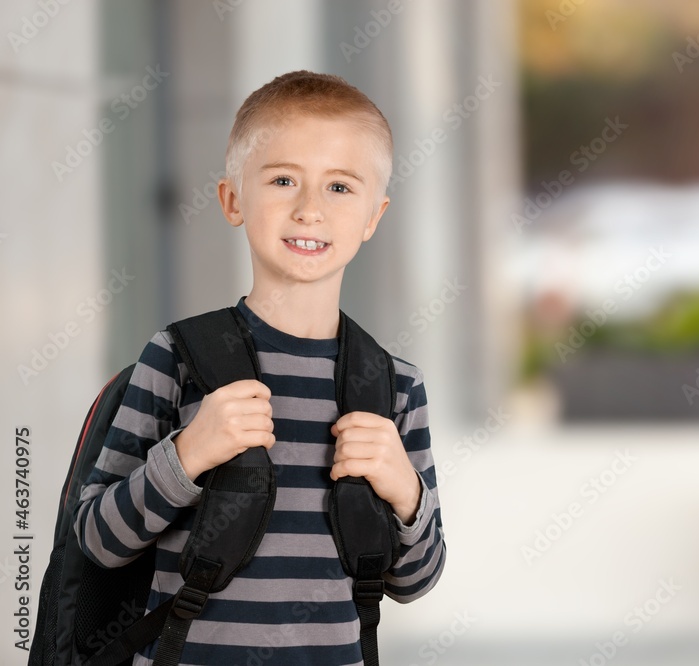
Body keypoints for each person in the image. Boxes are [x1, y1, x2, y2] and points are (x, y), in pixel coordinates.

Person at [73, 70, 446, 666]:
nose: (308, 210)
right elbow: (96, 541)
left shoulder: (394, 385)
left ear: (374, 216)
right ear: (232, 200)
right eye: (281, 180)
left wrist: (404, 489)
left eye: (340, 188)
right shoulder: (178, 355)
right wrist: (188, 454)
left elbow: (415, 580)